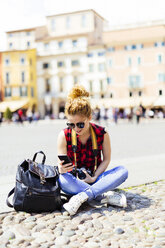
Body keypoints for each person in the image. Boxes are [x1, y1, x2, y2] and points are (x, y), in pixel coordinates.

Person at [57, 85, 128, 215]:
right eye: (71, 124)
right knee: (62, 180)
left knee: (123, 171)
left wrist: (93, 177)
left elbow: (106, 159)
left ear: (89, 117)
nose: (76, 129)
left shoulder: (102, 133)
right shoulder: (64, 135)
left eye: (80, 124)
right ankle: (101, 195)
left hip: (97, 177)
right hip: (75, 180)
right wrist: (61, 169)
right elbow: (60, 164)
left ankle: (83, 196)